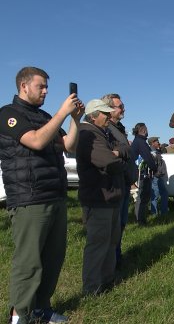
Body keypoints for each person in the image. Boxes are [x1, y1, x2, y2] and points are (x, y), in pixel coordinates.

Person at [0, 67, 83, 324]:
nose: (46, 91)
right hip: (29, 198)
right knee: (29, 263)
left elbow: (68, 145)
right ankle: (19, 316)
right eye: (41, 86)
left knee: (52, 259)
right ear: (24, 86)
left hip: (54, 195)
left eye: (47, 86)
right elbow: (35, 141)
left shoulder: (44, 116)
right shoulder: (8, 114)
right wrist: (61, 113)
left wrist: (75, 120)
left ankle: (41, 309)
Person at [77, 99, 129, 295]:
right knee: (98, 244)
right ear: (93, 116)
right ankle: (92, 288)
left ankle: (107, 281)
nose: (108, 117)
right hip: (98, 199)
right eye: (105, 114)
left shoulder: (103, 132)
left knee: (111, 241)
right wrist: (120, 160)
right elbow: (110, 162)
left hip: (110, 196)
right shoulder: (87, 134)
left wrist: (118, 153)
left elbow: (124, 148)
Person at [101, 93, 136, 269]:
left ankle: (117, 257)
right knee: (114, 226)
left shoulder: (118, 127)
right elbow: (115, 152)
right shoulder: (107, 129)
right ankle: (113, 261)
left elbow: (125, 151)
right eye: (119, 106)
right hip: (115, 182)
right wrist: (125, 150)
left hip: (124, 182)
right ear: (108, 109)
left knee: (121, 223)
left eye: (122, 105)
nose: (123, 108)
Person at [131, 123, 157, 225]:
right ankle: (140, 220)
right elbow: (148, 158)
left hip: (140, 172)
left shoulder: (137, 141)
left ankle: (140, 218)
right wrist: (154, 169)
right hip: (141, 173)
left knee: (143, 197)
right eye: (146, 129)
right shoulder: (141, 142)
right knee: (143, 196)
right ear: (143, 130)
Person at [148, 136, 169, 216]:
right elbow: (153, 165)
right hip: (155, 177)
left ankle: (163, 212)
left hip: (158, 176)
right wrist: (156, 173)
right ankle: (155, 214)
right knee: (155, 195)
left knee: (164, 193)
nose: (158, 143)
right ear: (153, 143)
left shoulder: (156, 151)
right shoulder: (152, 152)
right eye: (157, 141)